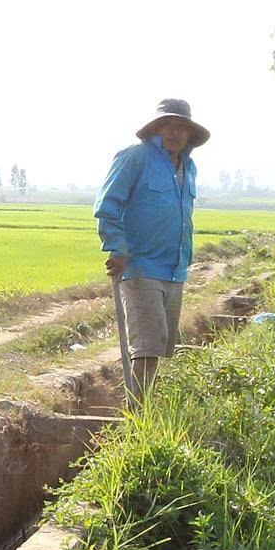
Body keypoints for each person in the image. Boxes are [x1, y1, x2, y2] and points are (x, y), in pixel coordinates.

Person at [94, 97, 207, 405]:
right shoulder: (135, 158)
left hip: (175, 268)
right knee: (145, 347)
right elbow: (107, 206)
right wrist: (118, 248)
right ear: (156, 127)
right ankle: (136, 417)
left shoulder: (189, 167)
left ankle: (142, 410)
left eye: (182, 128)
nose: (175, 132)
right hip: (141, 267)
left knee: (157, 347)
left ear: (189, 135)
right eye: (168, 125)